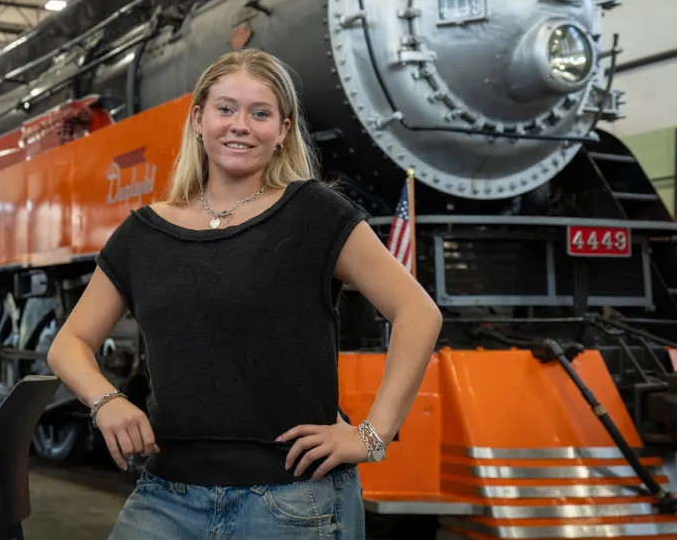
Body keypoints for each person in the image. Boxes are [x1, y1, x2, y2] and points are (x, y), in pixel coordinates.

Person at [47, 49, 443, 539]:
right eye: (225, 109)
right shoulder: (144, 233)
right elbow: (68, 343)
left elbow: (418, 313)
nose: (241, 125)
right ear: (198, 119)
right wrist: (105, 399)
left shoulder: (315, 213)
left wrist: (372, 433)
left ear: (282, 130)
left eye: (260, 113)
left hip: (295, 502)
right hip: (167, 497)